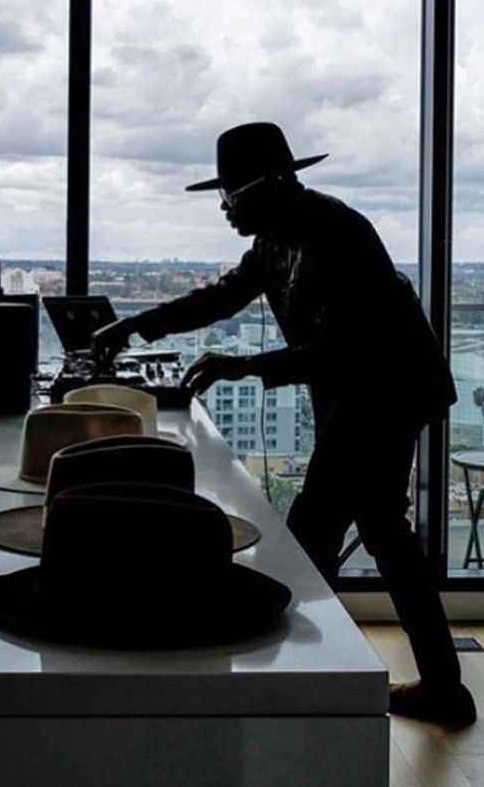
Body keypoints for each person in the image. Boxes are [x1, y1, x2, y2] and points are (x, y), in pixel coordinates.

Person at [91, 121, 476, 728]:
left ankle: (285, 688)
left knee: (312, 536)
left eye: (230, 194)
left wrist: (243, 364)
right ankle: (426, 688)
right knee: (380, 535)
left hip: (385, 392)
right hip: (364, 394)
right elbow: (220, 299)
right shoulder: (275, 237)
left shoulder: (338, 231)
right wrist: (134, 325)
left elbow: (348, 349)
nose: (223, 208)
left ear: (268, 186)